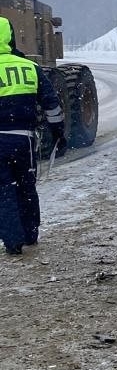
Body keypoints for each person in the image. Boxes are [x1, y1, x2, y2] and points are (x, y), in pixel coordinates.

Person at [0, 16, 65, 255]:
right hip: (24, 140)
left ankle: (13, 241)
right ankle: (30, 233)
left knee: (3, 190)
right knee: (26, 186)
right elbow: (51, 105)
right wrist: (58, 133)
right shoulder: (29, 67)